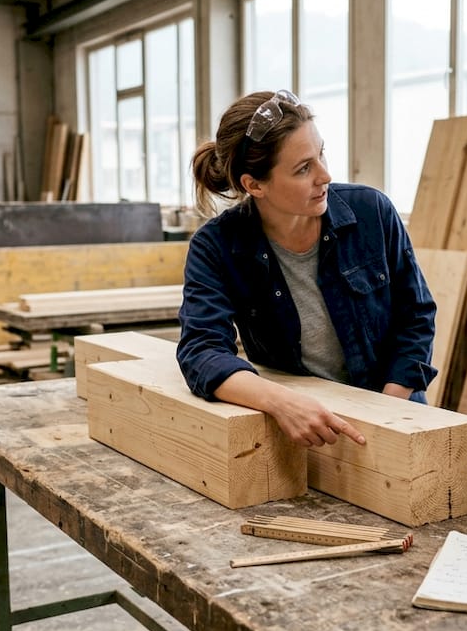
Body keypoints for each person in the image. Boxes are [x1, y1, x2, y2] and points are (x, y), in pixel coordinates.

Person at [177, 89, 438, 449]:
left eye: (321, 154)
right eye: (304, 168)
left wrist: (386, 409)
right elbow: (202, 351)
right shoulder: (217, 247)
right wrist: (280, 402)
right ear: (253, 185)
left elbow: (416, 315)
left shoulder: (371, 212)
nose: (325, 175)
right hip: (302, 428)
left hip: (394, 413)